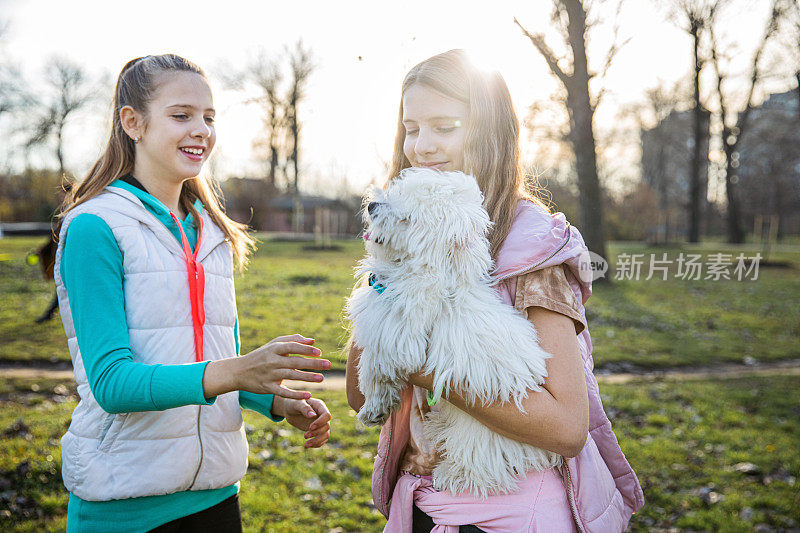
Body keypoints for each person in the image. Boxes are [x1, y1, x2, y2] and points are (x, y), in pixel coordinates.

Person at [345, 49, 644, 532]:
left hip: (514, 512)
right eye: (412, 129)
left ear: (491, 132)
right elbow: (361, 397)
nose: (421, 147)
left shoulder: (533, 252)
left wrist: (427, 369)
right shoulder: (404, 230)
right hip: (422, 505)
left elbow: (567, 427)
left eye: (445, 127)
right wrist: (384, 287)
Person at [53, 54, 332, 533]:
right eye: (181, 115)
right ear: (132, 122)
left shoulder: (213, 232)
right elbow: (113, 384)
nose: (201, 129)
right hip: (125, 508)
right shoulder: (95, 228)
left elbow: (216, 361)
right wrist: (239, 369)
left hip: (218, 497)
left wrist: (277, 402)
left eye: (209, 117)